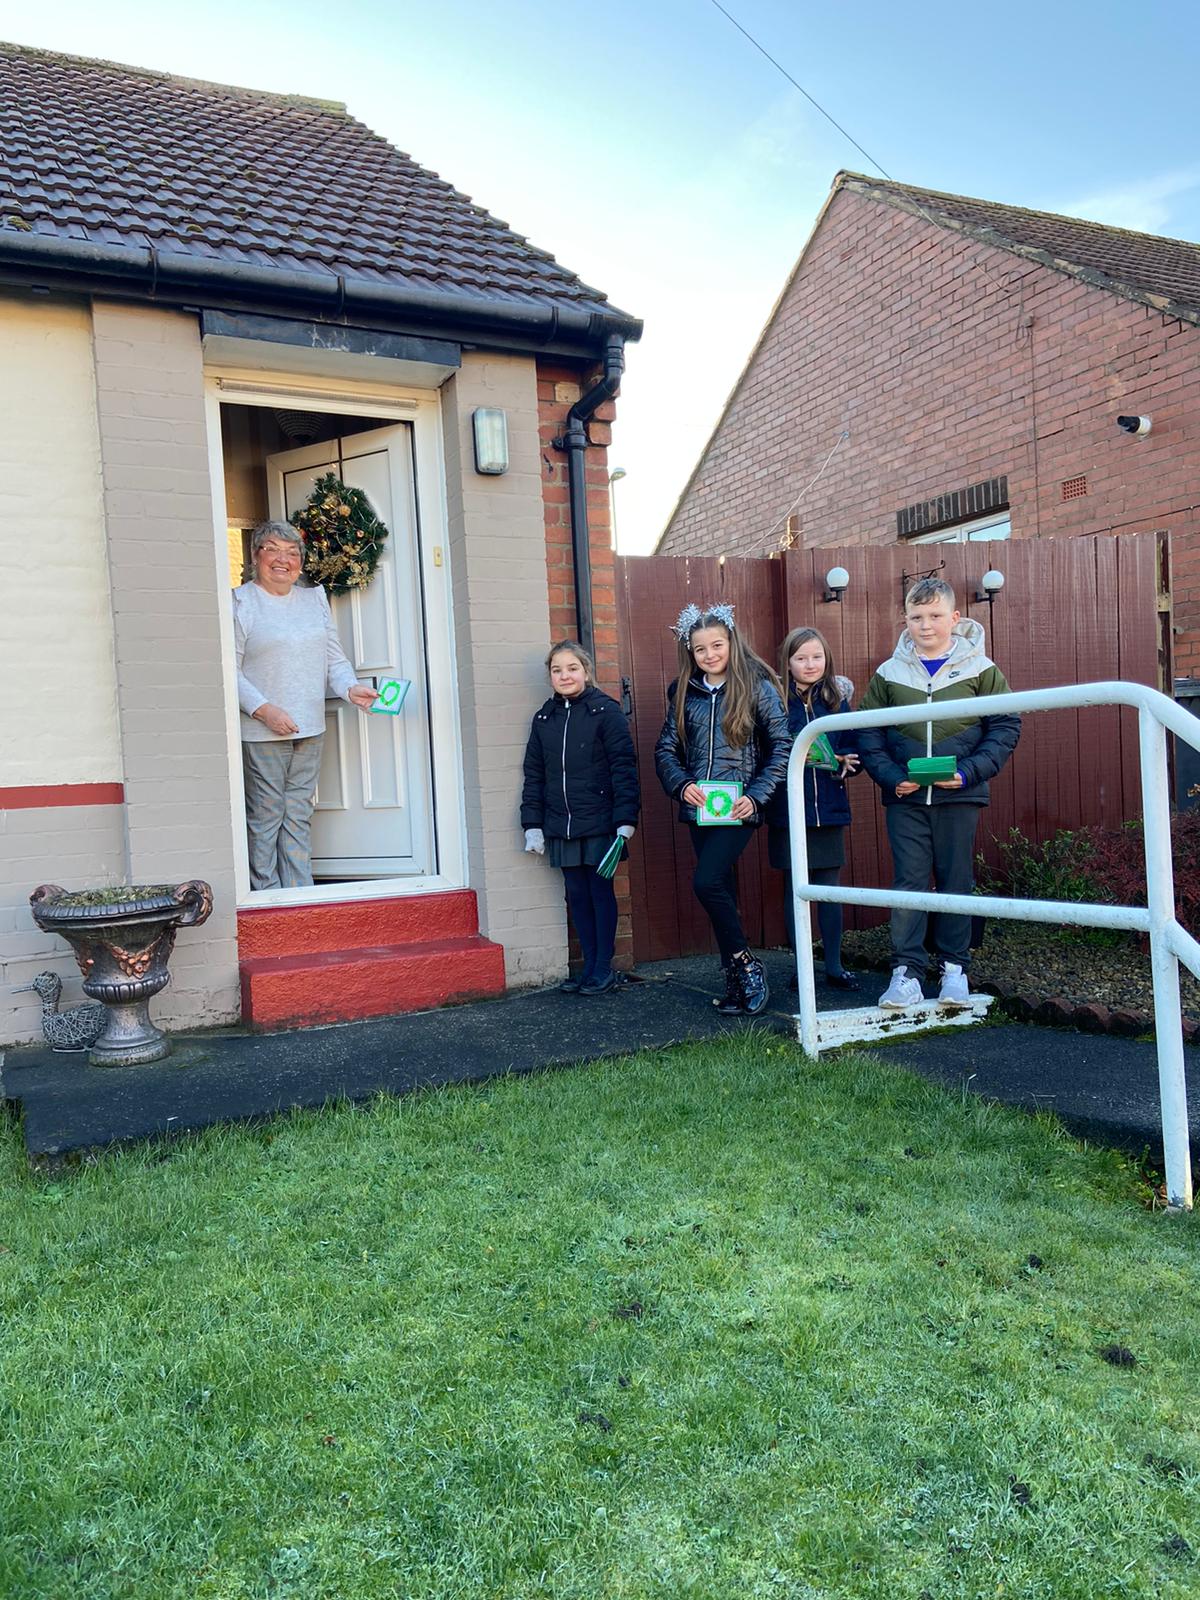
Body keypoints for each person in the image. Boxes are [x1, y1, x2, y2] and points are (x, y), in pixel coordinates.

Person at [857, 577, 1020, 1010]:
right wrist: (892, 777)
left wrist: (967, 774)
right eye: (915, 617)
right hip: (906, 798)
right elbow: (867, 733)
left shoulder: (982, 670)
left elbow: (1004, 728)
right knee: (908, 882)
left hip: (960, 796)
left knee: (954, 882)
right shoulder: (888, 673)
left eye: (934, 616)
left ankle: (954, 971)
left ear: (955, 618)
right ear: (905, 620)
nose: (925, 625)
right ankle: (906, 973)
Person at [654, 602, 791, 1016]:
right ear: (690, 653)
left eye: (717, 645)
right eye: (700, 649)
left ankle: (747, 965)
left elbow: (782, 747)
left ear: (732, 642)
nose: (710, 655)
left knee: (706, 882)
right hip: (701, 808)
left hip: (738, 808)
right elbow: (665, 750)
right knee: (722, 890)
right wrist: (683, 785)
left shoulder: (757, 688)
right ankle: (734, 980)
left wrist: (756, 796)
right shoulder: (683, 693)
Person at [233, 520, 379, 890]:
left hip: (310, 726)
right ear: (256, 555)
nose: (284, 559)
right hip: (263, 730)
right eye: (273, 550)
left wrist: (350, 689)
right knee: (266, 815)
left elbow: (334, 658)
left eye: (293, 552)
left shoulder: (314, 599)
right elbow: (227, 670)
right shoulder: (240, 602)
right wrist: (265, 710)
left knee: (298, 812)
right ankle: (265, 894)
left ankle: (299, 892)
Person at [521, 640, 640, 996]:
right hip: (561, 823)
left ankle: (604, 968)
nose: (564, 675)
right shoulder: (544, 718)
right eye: (557, 670)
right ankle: (588, 966)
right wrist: (532, 824)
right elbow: (535, 774)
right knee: (575, 894)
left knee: (599, 892)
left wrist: (625, 818)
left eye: (571, 668)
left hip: (602, 823)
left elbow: (624, 768)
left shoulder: (606, 712)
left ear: (586, 671)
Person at [766, 626, 860, 990]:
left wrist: (850, 762)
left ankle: (834, 966)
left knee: (829, 890)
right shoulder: (774, 700)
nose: (809, 664)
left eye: (816, 657)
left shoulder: (838, 699)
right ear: (787, 662)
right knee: (796, 890)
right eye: (801, 658)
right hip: (788, 812)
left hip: (829, 809)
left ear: (827, 659)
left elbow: (855, 745)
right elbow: (768, 748)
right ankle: (802, 966)